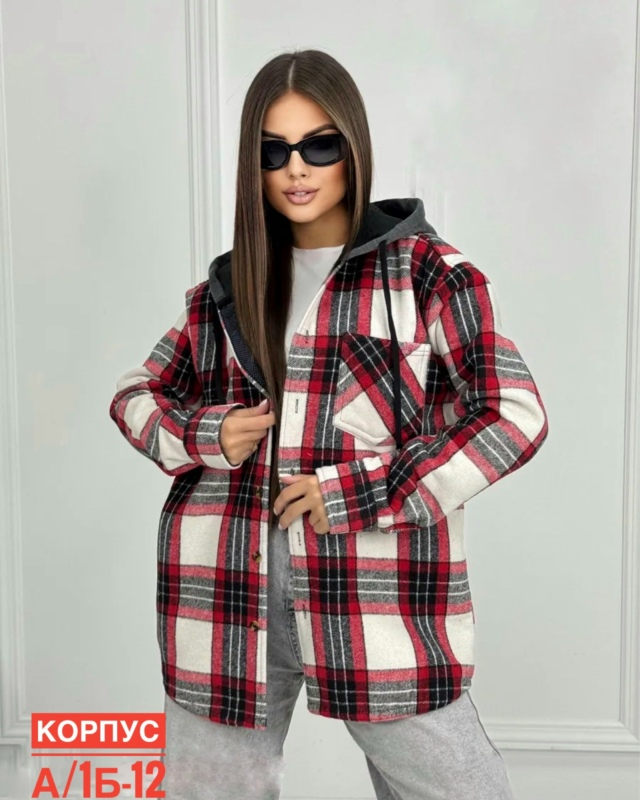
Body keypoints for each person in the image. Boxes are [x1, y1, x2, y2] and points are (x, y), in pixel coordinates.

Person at [109, 48, 549, 800]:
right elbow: (135, 395)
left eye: (319, 146)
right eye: (273, 151)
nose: (296, 169)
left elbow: (512, 414)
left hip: (375, 591)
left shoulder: (428, 276)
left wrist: (358, 490)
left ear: (353, 147)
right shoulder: (225, 290)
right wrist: (212, 433)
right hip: (224, 590)